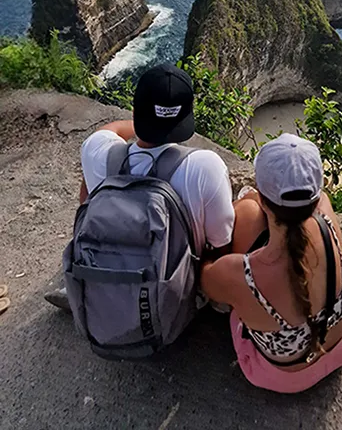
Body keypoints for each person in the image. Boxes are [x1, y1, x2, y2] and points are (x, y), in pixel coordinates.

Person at [46, 62, 234, 310]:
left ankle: (91, 286)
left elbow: (108, 130)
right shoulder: (204, 166)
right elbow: (221, 242)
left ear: (135, 113)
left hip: (105, 276)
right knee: (243, 208)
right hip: (168, 293)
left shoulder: (96, 150)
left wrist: (144, 120)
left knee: (91, 191)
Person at [201, 133, 342, 394]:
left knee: (246, 212)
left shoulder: (241, 274)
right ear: (316, 194)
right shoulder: (325, 216)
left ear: (263, 197)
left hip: (284, 375)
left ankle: (251, 204)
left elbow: (208, 282)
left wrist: (244, 206)